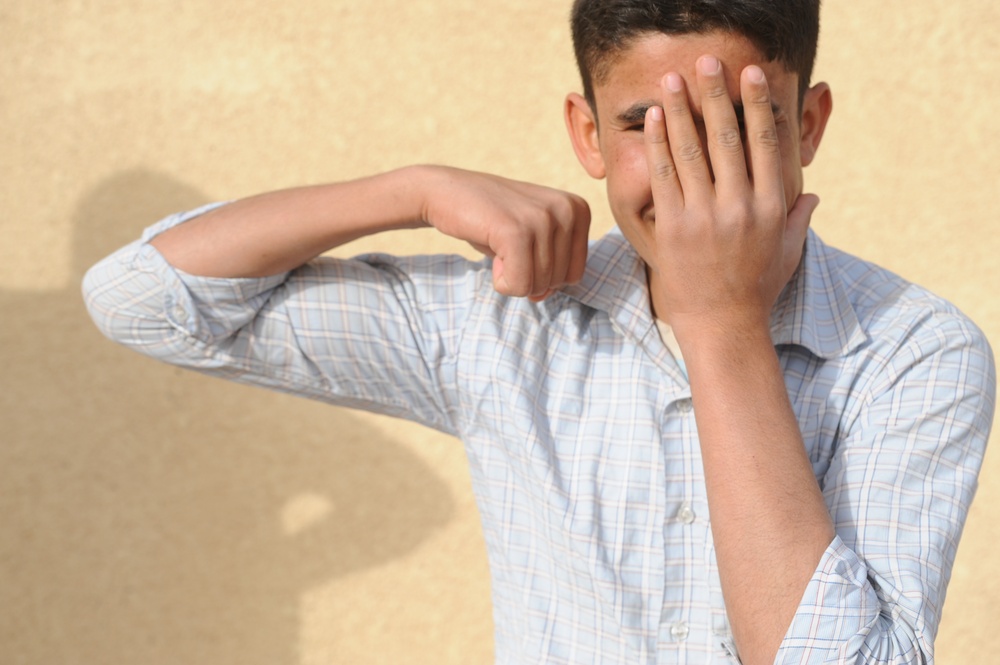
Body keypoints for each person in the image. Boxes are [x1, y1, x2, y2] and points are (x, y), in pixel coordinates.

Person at [82, 0, 995, 662]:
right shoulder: (509, 318)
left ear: (807, 123)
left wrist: (722, 320)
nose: (689, 167)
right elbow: (143, 299)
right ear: (586, 134)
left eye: (731, 122)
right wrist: (411, 191)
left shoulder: (914, 353)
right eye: (644, 122)